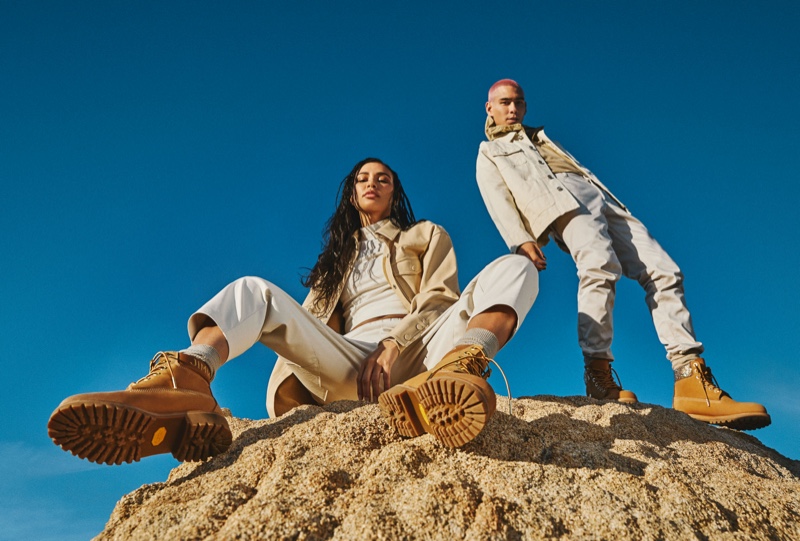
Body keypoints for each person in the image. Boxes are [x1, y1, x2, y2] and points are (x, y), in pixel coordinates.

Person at [48, 157, 539, 465]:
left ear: (394, 192)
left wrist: (394, 345)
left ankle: (466, 365)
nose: (373, 184)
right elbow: (304, 329)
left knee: (516, 268)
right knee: (253, 289)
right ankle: (189, 378)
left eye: (383, 179)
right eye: (364, 179)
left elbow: (438, 298)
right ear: (352, 192)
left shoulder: (425, 235)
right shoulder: (335, 263)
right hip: (349, 365)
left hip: (423, 355)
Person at [475, 79, 770, 430]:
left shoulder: (540, 136)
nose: (513, 109)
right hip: (559, 202)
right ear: (489, 107)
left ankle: (691, 379)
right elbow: (496, 198)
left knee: (664, 269)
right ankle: (598, 374)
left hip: (600, 197)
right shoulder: (490, 151)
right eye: (505, 102)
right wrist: (520, 239)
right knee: (599, 267)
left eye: (519, 103)